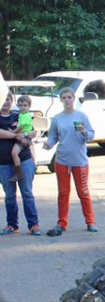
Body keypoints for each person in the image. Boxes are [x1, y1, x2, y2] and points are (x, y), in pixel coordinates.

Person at [43, 87, 98, 236]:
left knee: (83, 192)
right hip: (62, 160)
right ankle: (62, 222)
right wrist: (48, 144)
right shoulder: (57, 118)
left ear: (74, 99)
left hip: (79, 161)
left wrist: (84, 132)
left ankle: (90, 221)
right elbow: (53, 137)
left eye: (69, 97)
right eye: (64, 97)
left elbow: (91, 135)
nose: (67, 100)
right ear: (61, 100)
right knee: (63, 193)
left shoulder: (81, 116)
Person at [0, 90, 41, 236]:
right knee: (9, 195)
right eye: (3, 99)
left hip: (24, 160)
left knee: (27, 193)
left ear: (12, 101)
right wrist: (16, 134)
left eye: (8, 99)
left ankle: (33, 225)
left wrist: (33, 160)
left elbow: (33, 133)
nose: (5, 102)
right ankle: (12, 225)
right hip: (4, 163)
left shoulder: (20, 115)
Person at [10, 94, 35, 182]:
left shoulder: (26, 116)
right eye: (20, 105)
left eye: (25, 105)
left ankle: (19, 173)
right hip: (21, 136)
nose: (22, 107)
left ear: (29, 106)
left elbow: (21, 127)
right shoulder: (21, 115)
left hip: (25, 138)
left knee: (14, 153)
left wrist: (12, 132)